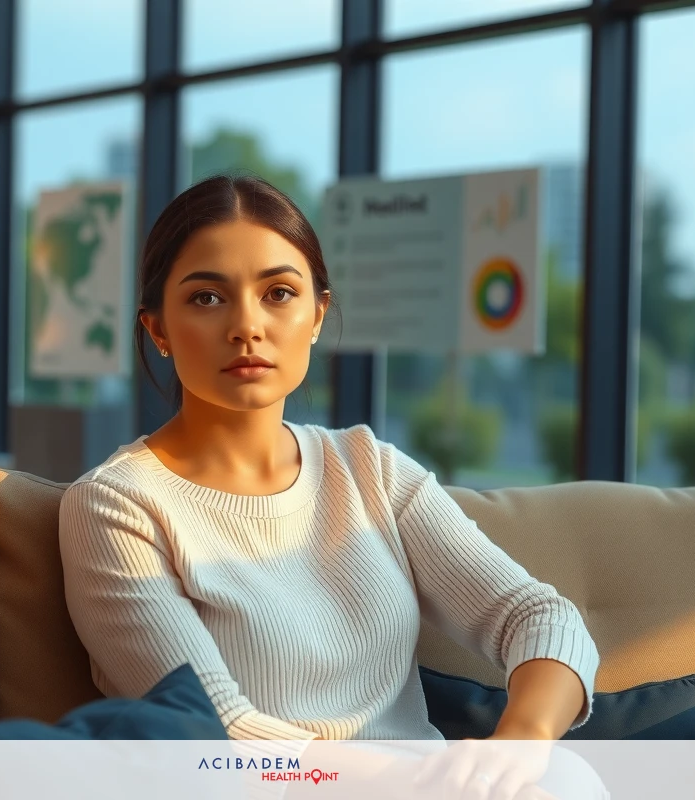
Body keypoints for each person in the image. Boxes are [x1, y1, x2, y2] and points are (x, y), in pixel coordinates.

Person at [59, 175, 607, 800]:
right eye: (207, 298)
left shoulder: (367, 468)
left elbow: (538, 616)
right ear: (157, 329)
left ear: (316, 315)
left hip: (435, 786)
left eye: (279, 293)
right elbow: (220, 735)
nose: (247, 326)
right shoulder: (115, 504)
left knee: (563, 776)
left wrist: (520, 745)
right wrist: (430, 780)